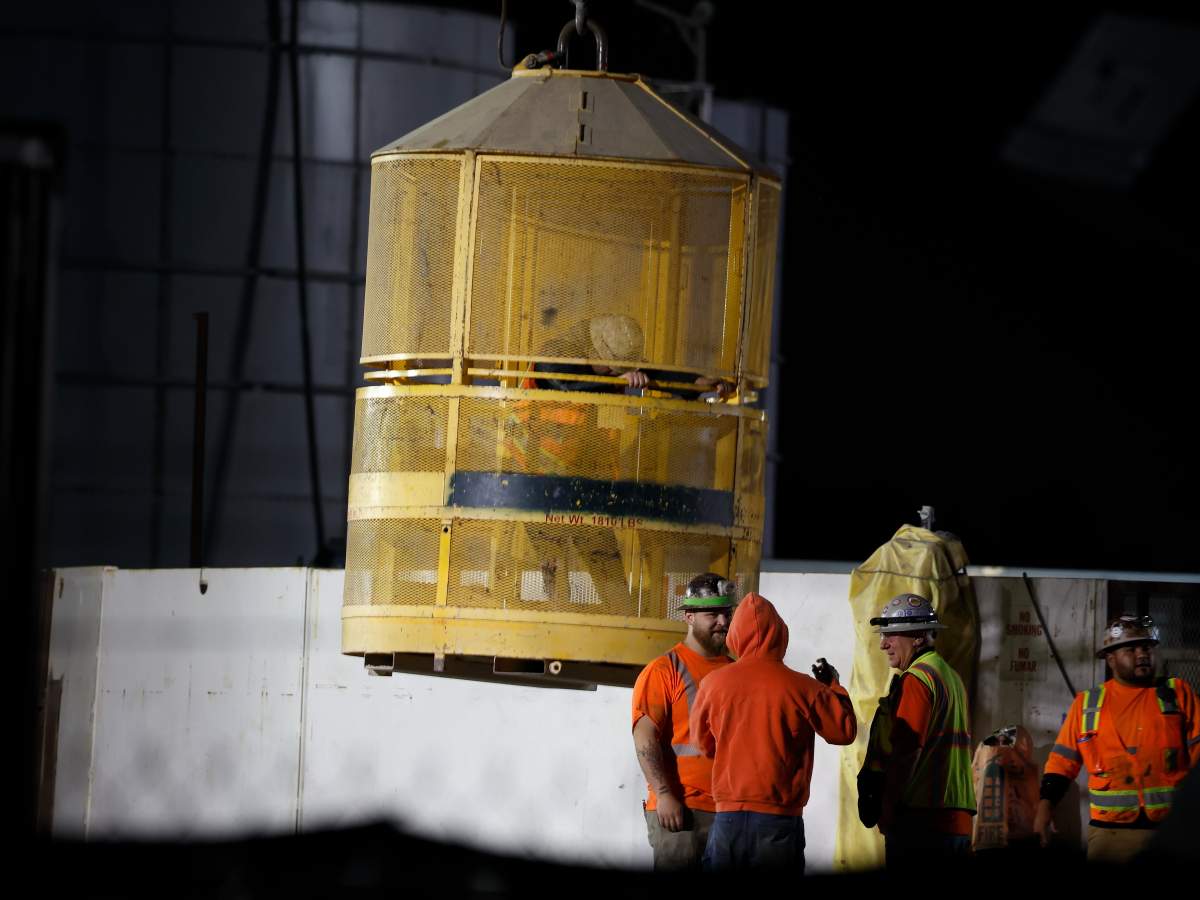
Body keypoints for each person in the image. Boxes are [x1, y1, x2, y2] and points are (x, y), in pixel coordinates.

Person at [689, 592, 856, 871]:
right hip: (778, 821)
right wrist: (833, 686)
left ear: (736, 635)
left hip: (727, 817)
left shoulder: (713, 684)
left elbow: (703, 744)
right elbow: (844, 731)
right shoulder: (803, 687)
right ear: (780, 634)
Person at [1033, 614, 1200, 864]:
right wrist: (1045, 807)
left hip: (1170, 833)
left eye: (1146, 647)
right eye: (1131, 649)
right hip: (1110, 834)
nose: (1142, 654)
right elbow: (1061, 763)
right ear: (1110, 658)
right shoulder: (1087, 704)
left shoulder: (1176, 694)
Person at [858, 593, 975, 867]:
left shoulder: (917, 680)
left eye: (892, 635)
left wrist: (887, 808)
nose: (883, 644)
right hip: (956, 820)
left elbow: (906, 752)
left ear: (919, 637)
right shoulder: (949, 677)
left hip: (922, 824)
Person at [630, 573, 736, 870]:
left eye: (726, 613)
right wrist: (664, 794)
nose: (723, 622)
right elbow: (645, 736)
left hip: (727, 812)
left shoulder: (734, 671)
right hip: (681, 811)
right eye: (712, 614)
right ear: (689, 617)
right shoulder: (665, 670)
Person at [530, 315, 731, 399]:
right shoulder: (555, 355)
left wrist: (704, 384)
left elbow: (660, 374)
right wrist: (616, 382)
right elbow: (566, 388)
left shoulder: (612, 356)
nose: (613, 372)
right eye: (614, 368)